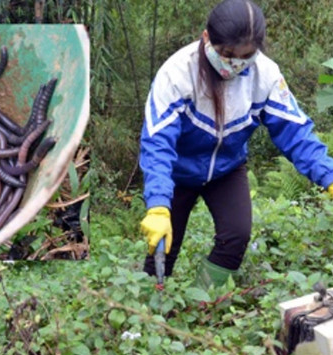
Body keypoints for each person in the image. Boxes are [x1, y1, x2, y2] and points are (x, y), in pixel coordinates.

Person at [139, 0, 333, 289]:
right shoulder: (177, 74)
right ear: (206, 38)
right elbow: (158, 143)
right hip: (178, 171)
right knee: (165, 244)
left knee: (237, 236)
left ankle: (201, 302)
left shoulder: (265, 76)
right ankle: (146, 309)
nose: (234, 64)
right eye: (226, 54)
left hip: (227, 169)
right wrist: (157, 205)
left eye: (246, 56)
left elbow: (296, 133)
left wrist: (329, 176)